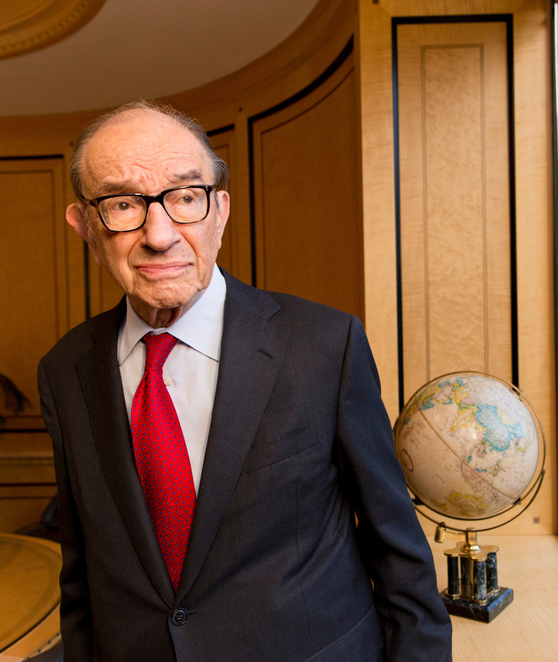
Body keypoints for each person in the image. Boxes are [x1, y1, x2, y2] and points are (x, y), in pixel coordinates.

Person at [37, 99, 452, 661]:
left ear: (220, 211)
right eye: (122, 204)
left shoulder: (324, 345)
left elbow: (398, 554)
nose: (159, 234)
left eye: (185, 197)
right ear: (85, 225)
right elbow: (81, 574)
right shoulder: (65, 371)